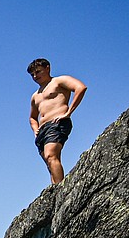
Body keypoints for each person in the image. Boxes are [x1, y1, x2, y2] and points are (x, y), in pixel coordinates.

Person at [28, 58, 87, 186]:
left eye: (38, 72)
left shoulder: (58, 81)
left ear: (47, 68)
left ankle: (61, 191)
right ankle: (56, 191)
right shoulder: (35, 96)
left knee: (50, 156)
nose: (35, 76)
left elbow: (80, 88)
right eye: (32, 74)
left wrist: (68, 112)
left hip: (57, 123)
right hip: (42, 131)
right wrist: (35, 130)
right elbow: (32, 117)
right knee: (51, 164)